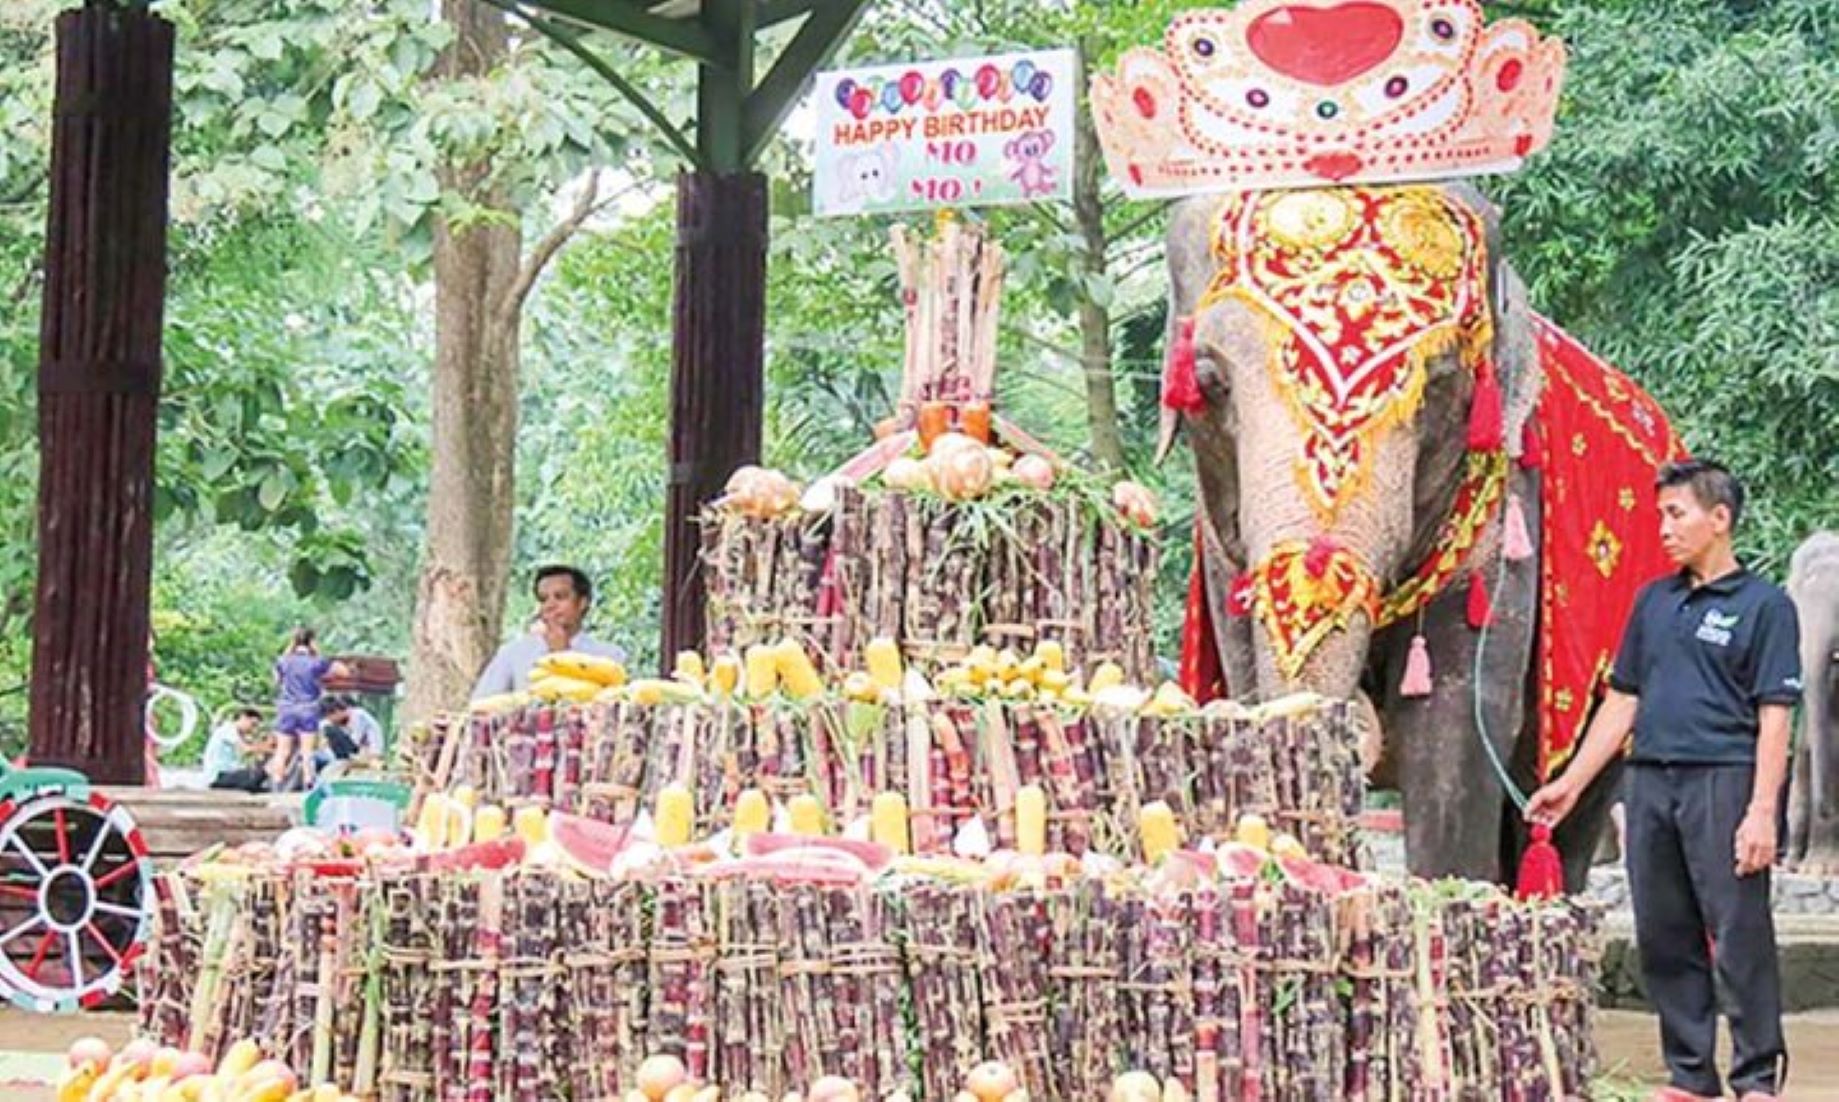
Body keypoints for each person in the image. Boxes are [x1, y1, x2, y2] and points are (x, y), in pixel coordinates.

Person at [1527, 460, 1801, 1102]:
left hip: (1724, 781)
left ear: (1720, 519)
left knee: (1738, 932)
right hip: (1649, 781)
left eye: (1676, 514)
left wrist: (1762, 810)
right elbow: (1623, 700)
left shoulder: (1766, 608)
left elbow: (1775, 717)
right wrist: (1571, 781)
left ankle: (1757, 1077)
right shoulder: (1655, 601)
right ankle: (1690, 1076)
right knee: (1664, 930)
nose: (1664, 529)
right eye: (1661, 515)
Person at [470, 565, 625, 700]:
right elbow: (481, 707)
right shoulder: (513, 654)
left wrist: (560, 654)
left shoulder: (610, 656)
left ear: (582, 603)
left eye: (560, 597)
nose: (550, 605)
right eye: (543, 599)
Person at [269, 627, 350, 790]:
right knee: (307, 751)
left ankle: (277, 782)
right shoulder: (317, 662)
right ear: (312, 641)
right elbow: (344, 672)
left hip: (287, 708)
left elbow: (276, 680)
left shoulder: (283, 660)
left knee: (282, 750)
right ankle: (308, 781)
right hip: (308, 708)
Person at [204, 707, 269, 793]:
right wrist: (268, 749)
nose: (253, 730)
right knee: (259, 774)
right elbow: (246, 749)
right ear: (243, 718)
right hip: (219, 775)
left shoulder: (237, 734)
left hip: (227, 773)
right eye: (253, 725)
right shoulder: (228, 729)